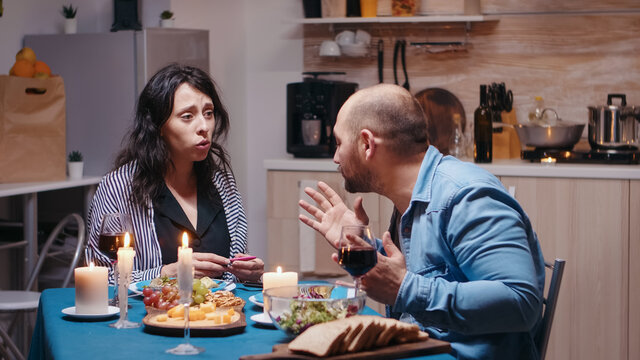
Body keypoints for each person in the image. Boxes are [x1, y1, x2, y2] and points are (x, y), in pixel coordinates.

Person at [298, 84, 546, 360]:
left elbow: (521, 303)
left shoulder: (465, 197)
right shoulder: (410, 200)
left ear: (367, 144)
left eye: (339, 143)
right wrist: (365, 249)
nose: (335, 157)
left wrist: (405, 289)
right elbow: (429, 271)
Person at [85, 63, 264, 284]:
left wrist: (252, 275)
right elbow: (101, 278)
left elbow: (233, 278)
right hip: (150, 316)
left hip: (220, 317)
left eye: (208, 113)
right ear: (158, 126)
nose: (204, 126)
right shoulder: (119, 187)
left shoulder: (222, 183)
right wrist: (166, 275)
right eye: (187, 116)